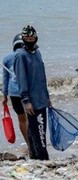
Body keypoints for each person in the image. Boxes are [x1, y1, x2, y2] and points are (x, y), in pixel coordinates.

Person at [12, 25, 49, 161]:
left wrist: (47, 96)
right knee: (40, 133)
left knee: (35, 131)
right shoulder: (20, 56)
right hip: (32, 102)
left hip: (41, 99)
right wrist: (26, 101)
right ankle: (43, 159)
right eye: (27, 38)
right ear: (23, 39)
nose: (30, 40)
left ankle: (34, 158)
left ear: (36, 38)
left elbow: (42, 76)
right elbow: (21, 80)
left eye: (32, 37)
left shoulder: (37, 53)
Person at [2, 36, 28, 145]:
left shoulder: (7, 59)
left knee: (22, 119)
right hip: (27, 91)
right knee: (31, 117)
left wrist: (4, 95)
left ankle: (29, 144)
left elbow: (5, 79)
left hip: (14, 93)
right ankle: (35, 143)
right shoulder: (28, 56)